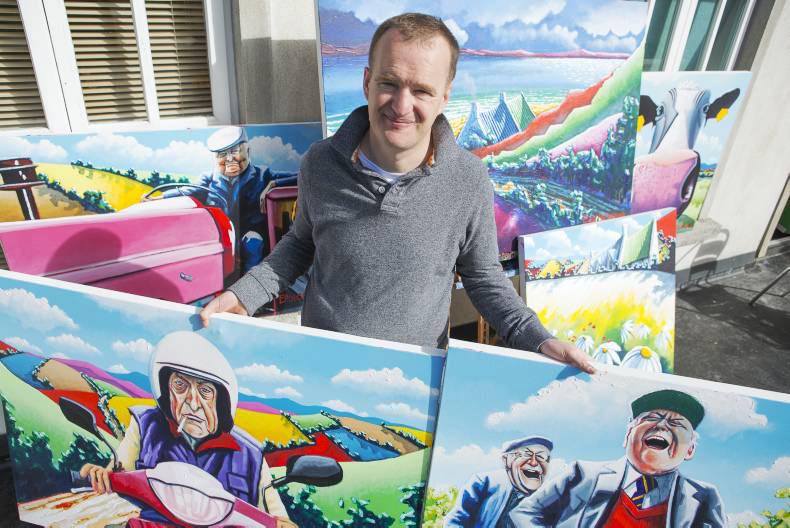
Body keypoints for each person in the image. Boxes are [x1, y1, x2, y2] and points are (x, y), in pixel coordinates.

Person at [200, 13, 592, 373]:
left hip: (414, 383)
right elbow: (301, 244)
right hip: (322, 371)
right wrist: (244, 295)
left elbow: (484, 277)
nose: (402, 105)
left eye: (421, 90)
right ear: (367, 82)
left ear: (444, 97)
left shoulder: (468, 179)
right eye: (389, 83)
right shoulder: (320, 163)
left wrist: (537, 338)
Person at [80, 331, 289, 524]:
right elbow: (118, 472)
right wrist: (101, 475)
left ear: (222, 401)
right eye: (180, 386)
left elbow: (277, 517)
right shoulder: (146, 425)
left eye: (205, 391)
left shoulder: (250, 455)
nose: (193, 403)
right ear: (167, 390)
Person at [510, 389, 725, 527]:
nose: (661, 425)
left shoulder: (704, 497)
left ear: (690, 450)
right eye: (651, 418)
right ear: (627, 435)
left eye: (676, 424)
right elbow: (525, 512)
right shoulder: (583, 475)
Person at [162, 126, 297, 271]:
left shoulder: (263, 174)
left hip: (250, 234)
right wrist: (160, 197)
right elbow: (186, 191)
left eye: (234, 151)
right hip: (219, 235)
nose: (229, 159)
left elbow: (301, 176)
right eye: (222, 154)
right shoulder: (208, 178)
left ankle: (251, 282)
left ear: (248, 151)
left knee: (253, 242)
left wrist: (274, 183)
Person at [446, 436, 553, 527]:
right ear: (506, 460)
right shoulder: (484, 482)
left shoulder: (548, 497)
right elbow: (456, 521)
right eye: (526, 454)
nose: (534, 463)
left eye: (541, 457)